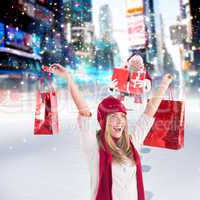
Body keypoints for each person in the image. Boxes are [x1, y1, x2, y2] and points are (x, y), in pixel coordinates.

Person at [46, 63, 173, 200]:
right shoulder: (94, 147)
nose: (120, 122)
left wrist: (164, 84)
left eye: (122, 117)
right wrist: (69, 78)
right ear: (104, 122)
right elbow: (84, 113)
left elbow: (149, 112)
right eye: (113, 117)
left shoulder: (132, 143)